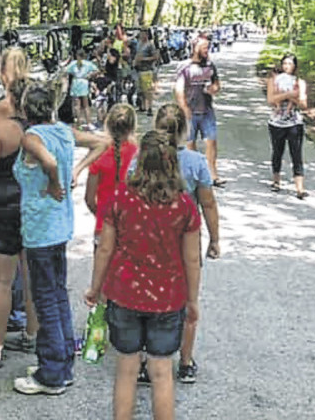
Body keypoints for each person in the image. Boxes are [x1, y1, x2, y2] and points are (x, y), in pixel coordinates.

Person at [84, 129, 202, 420]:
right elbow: (191, 258)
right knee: (162, 372)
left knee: (127, 370)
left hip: (125, 295)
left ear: (139, 162)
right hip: (168, 298)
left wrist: (95, 288)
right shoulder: (184, 205)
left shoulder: (120, 199)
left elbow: (105, 250)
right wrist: (193, 300)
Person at [11, 82, 75, 396]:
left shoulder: (32, 137)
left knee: (45, 299)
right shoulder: (62, 130)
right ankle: (64, 363)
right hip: (60, 226)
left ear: (25, 109)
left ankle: (51, 373)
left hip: (40, 231)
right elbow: (103, 141)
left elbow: (48, 162)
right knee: (59, 295)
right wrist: (73, 174)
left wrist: (54, 181)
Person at [149, 103, 220, 384]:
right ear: (184, 130)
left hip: (149, 240)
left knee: (149, 298)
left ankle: (146, 360)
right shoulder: (195, 162)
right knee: (188, 300)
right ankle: (186, 361)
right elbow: (208, 204)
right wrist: (214, 239)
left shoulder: (142, 159)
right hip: (185, 243)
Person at [0, 76, 38, 368]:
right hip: (32, 207)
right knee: (30, 277)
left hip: (3, 206)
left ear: (11, 98)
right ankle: (31, 334)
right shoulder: (42, 131)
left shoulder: (0, 130)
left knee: (2, 281)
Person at [85, 103, 138, 262]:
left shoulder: (98, 154)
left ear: (107, 124)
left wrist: (100, 214)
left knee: (102, 279)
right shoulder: (137, 153)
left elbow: (89, 199)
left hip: (103, 226)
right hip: (131, 225)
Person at [173, 35, 223, 186]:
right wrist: (184, 107)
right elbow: (178, 89)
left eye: (208, 47)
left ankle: (213, 174)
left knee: (211, 141)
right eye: (203, 47)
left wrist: (214, 89)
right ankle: (195, 173)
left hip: (207, 110)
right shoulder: (185, 67)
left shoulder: (210, 65)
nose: (207, 50)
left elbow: (217, 84)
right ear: (195, 48)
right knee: (190, 143)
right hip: (190, 111)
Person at [267, 53, 309, 199]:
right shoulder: (274, 81)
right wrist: (289, 95)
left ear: (295, 66)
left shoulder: (299, 82)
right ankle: (276, 181)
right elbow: (271, 99)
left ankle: (300, 188)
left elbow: (304, 104)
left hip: (294, 123)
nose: (287, 66)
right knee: (277, 152)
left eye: (290, 64)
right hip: (276, 122)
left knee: (296, 154)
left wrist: (292, 97)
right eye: (284, 63)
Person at [64, 48, 99, 130]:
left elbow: (65, 70)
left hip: (76, 82)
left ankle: (78, 123)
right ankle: (89, 122)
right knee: (86, 105)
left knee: (77, 105)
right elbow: (97, 70)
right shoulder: (88, 63)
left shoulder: (73, 63)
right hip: (84, 82)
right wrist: (90, 75)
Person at [132, 30, 160, 114]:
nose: (141, 35)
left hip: (147, 70)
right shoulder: (139, 44)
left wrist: (144, 59)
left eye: (143, 34)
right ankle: (143, 106)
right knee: (140, 89)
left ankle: (150, 107)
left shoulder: (150, 45)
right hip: (138, 69)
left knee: (148, 90)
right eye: (140, 34)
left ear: (147, 35)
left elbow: (155, 57)